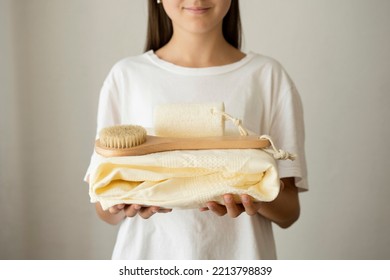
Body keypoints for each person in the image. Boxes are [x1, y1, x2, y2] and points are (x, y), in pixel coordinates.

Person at [85, 0, 308, 259]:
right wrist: (124, 202)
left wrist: (257, 197)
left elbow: (289, 211)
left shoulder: (267, 76)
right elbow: (102, 205)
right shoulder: (126, 76)